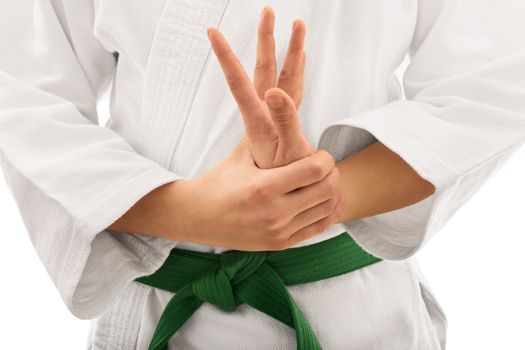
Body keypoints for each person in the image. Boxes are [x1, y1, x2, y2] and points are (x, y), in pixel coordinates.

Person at [1, 1, 524, 349]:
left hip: (354, 318)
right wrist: (187, 211)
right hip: (154, 308)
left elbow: (493, 81)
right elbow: (21, 91)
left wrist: (326, 194)